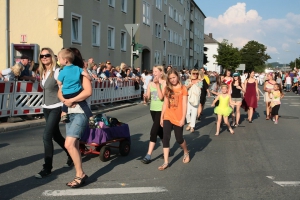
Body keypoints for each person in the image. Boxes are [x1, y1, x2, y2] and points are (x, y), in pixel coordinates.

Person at [35, 47, 72, 179]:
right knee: (56, 136)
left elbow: (62, 90)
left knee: (46, 136)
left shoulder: (57, 72)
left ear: (52, 56)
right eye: (42, 56)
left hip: (56, 107)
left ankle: (47, 168)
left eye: (47, 55)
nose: (44, 58)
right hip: (46, 107)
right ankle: (71, 154)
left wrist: (64, 109)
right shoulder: (43, 71)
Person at [58, 47, 91, 188]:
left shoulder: (81, 72)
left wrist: (72, 100)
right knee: (75, 145)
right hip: (69, 112)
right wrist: (65, 101)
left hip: (80, 112)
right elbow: (59, 91)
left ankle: (80, 174)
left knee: (69, 144)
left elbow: (88, 92)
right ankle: (79, 173)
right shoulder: (65, 72)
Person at [159, 69, 190, 170]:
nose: (172, 80)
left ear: (177, 77)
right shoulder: (168, 88)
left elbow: (185, 105)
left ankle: (185, 151)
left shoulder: (183, 88)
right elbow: (165, 103)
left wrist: (183, 119)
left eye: (174, 77)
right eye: (170, 78)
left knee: (179, 139)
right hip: (168, 115)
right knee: (166, 137)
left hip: (178, 116)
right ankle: (166, 162)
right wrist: (161, 117)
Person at [57, 49, 92, 123]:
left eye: (59, 58)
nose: (58, 60)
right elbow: (86, 75)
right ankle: (91, 117)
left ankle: (63, 114)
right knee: (84, 105)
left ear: (65, 60)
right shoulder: (78, 69)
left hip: (77, 110)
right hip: (77, 92)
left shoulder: (62, 71)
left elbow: (59, 84)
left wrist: (68, 101)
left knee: (71, 134)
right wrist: (90, 78)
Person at [141, 66, 166, 164]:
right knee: (160, 131)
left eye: (156, 71)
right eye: (153, 71)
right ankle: (166, 147)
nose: (154, 73)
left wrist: (157, 85)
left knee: (153, 131)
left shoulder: (164, 83)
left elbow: (161, 97)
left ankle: (148, 155)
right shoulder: (150, 83)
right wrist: (145, 97)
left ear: (161, 72)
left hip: (161, 110)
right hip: (153, 109)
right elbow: (147, 99)